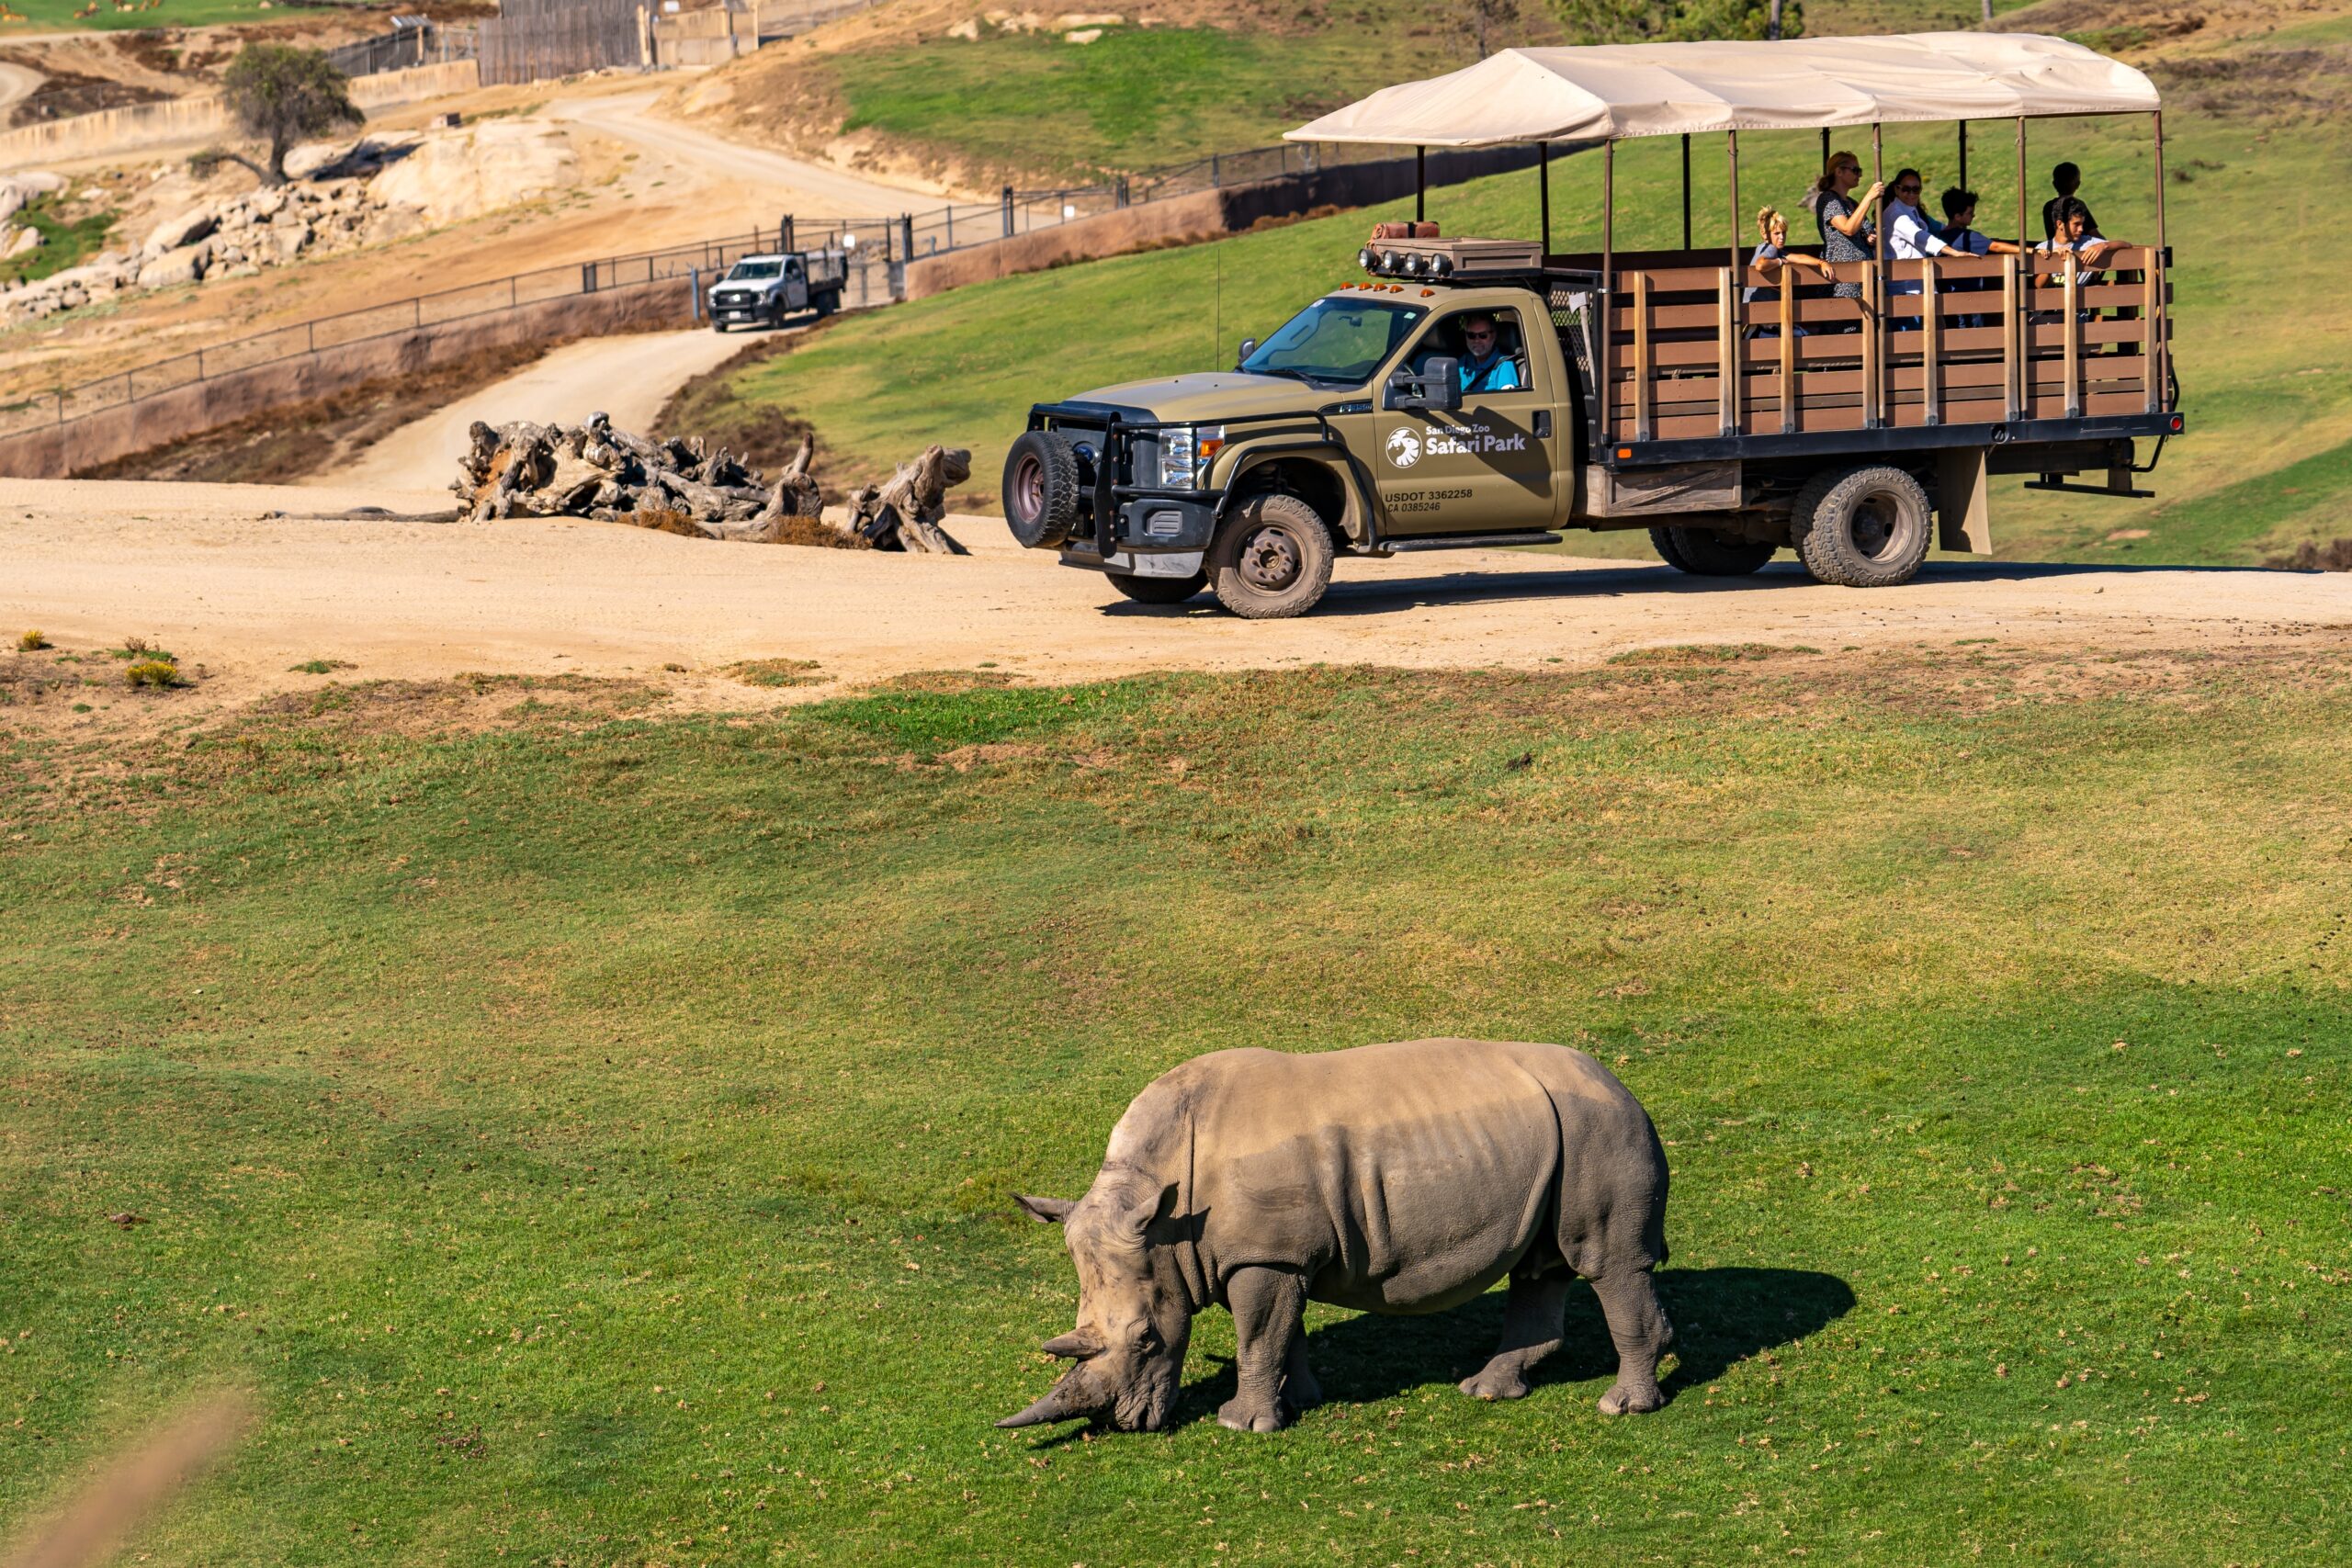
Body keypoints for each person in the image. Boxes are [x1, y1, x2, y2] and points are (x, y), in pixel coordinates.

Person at [1807, 150, 1882, 321]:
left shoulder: (1852, 203)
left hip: (1861, 277)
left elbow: (1863, 231)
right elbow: (1847, 228)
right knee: (1846, 329)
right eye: (1855, 170)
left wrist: (1870, 237)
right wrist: (1869, 197)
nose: (1859, 175)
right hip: (1841, 278)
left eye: (1859, 171)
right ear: (1839, 172)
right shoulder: (1828, 200)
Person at [1936, 186, 2023, 328]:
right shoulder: (1966, 236)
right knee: (1973, 333)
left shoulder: (1939, 237)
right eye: (1970, 213)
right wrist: (2029, 251)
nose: (1973, 216)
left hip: (1947, 299)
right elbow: (1996, 247)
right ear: (1958, 216)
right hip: (1970, 299)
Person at [1744, 205, 1833, 337]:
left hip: (1758, 319)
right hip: (1760, 323)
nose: (1781, 237)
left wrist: (1821, 262)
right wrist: (1780, 262)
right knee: (1805, 339)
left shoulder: (1774, 251)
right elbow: (1760, 265)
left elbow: (1798, 257)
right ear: (1765, 234)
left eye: (1783, 232)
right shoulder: (1769, 248)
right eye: (1777, 233)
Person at [1455, 312, 1521, 392]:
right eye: (1471, 335)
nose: (1476, 340)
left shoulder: (1504, 364)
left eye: (1483, 335)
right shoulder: (1463, 362)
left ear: (1493, 336)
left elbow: (1508, 401)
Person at [2041, 162, 2098, 243]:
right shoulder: (2078, 205)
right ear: (2078, 184)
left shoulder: (2048, 207)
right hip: (2081, 250)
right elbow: (2094, 234)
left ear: (2054, 184)